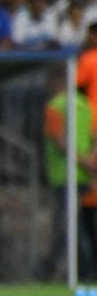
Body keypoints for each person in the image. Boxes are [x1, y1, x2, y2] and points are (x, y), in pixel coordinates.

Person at [39, 68, 97, 280]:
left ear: (55, 81)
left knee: (69, 227)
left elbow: (60, 140)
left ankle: (62, 270)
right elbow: (93, 138)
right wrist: (91, 166)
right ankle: (80, 270)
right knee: (77, 224)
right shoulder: (85, 105)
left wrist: (81, 162)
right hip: (84, 174)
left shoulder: (55, 107)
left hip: (63, 175)